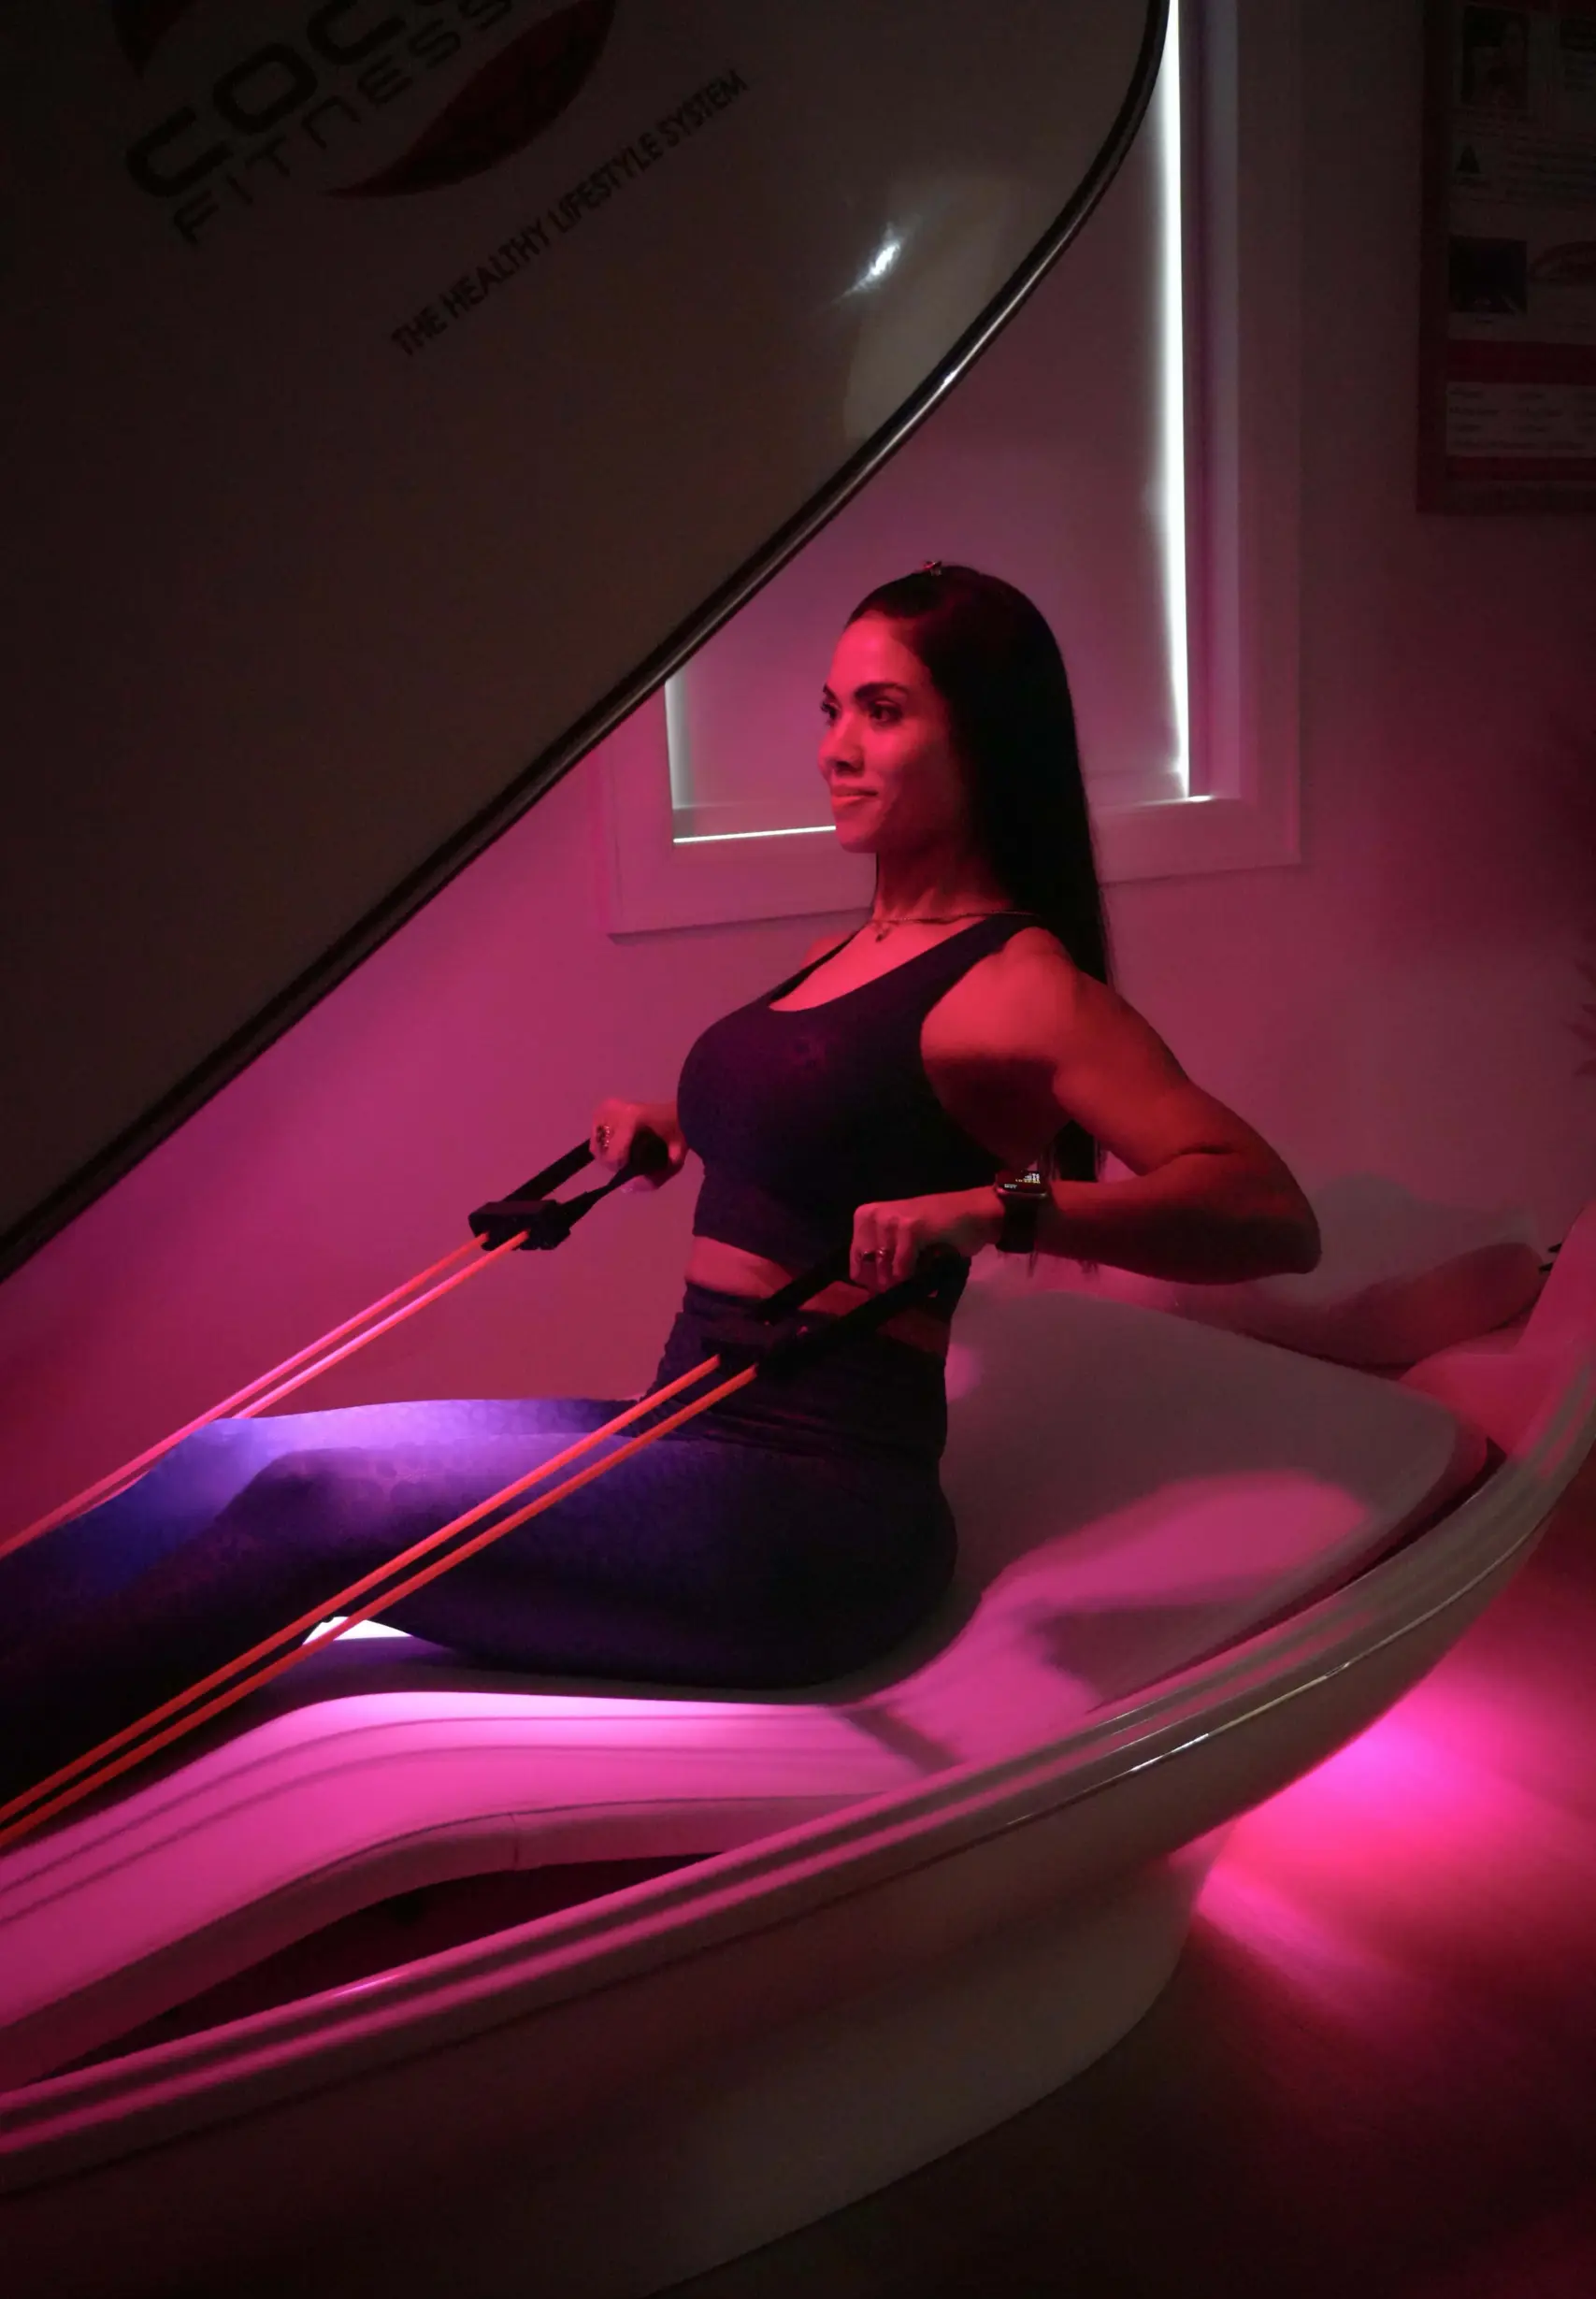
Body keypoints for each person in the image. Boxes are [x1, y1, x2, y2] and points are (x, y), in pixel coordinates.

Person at [0, 566, 1318, 1805]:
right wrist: (672, 1123)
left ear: (984, 739)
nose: (835, 748)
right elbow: (842, 1111)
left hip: (812, 1517)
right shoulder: (854, 947)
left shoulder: (1024, 984)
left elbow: (1265, 1209)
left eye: (882, 711)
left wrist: (999, 1207)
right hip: (681, 1429)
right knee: (237, 1453)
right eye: (829, 710)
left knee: (318, 1511)